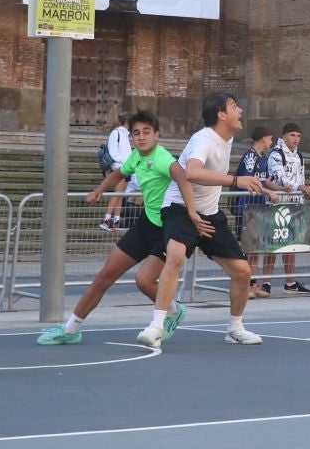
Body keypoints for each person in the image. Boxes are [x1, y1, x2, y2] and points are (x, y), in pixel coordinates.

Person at [39, 111, 197, 345]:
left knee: (144, 281)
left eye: (146, 132)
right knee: (106, 275)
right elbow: (118, 173)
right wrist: (99, 190)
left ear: (157, 135)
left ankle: (173, 311)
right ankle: (70, 329)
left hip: (167, 229)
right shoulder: (135, 157)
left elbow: (183, 177)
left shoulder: (163, 158)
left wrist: (192, 211)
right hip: (146, 224)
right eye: (136, 133)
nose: (141, 137)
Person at [140, 93, 269, 347]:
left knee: (242, 272)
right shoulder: (203, 139)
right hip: (179, 209)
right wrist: (236, 180)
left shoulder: (227, 138)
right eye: (234, 106)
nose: (240, 111)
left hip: (209, 214)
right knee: (175, 256)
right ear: (221, 115)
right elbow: (193, 172)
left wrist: (265, 189)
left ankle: (235, 329)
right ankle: (156, 326)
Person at [263, 123, 310, 293]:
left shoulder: (299, 156)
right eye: (292, 135)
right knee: (273, 245)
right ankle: (266, 283)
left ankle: (291, 283)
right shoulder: (276, 154)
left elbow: (301, 178)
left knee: (291, 244)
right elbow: (279, 177)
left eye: (298, 136)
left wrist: (303, 192)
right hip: (277, 203)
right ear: (284, 136)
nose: (296, 139)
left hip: (294, 204)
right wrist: (299, 187)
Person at [237, 125, 275, 297]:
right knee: (247, 248)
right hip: (248, 206)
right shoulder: (250, 157)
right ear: (264, 138)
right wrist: (269, 192)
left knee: (255, 247)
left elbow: (264, 181)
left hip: (259, 207)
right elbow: (248, 181)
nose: (271, 142)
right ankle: (244, 285)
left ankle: (252, 284)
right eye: (270, 138)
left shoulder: (263, 157)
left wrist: (280, 189)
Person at [102, 115, 133, 230]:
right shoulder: (116, 133)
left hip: (126, 168)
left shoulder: (126, 135)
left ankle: (116, 220)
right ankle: (106, 220)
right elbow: (113, 152)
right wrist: (125, 162)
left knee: (121, 195)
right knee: (117, 194)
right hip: (119, 168)